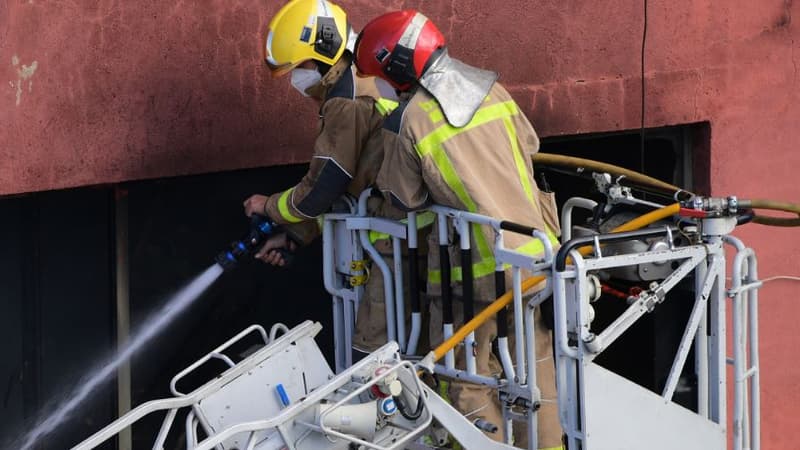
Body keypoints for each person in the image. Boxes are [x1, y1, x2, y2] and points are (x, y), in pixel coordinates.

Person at [354, 10, 563, 449]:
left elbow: (405, 200)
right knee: (536, 373)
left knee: (465, 381)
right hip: (537, 260)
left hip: (472, 277)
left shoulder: (411, 118)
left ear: (397, 67)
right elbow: (529, 145)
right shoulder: (494, 91)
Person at [243, 0, 427, 355]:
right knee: (407, 345)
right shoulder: (363, 80)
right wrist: (294, 236)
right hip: (401, 233)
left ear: (326, 52)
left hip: (395, 238)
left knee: (376, 352)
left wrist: (269, 206)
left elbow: (323, 187)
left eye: (301, 66)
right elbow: (351, 181)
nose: (298, 79)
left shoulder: (347, 100)